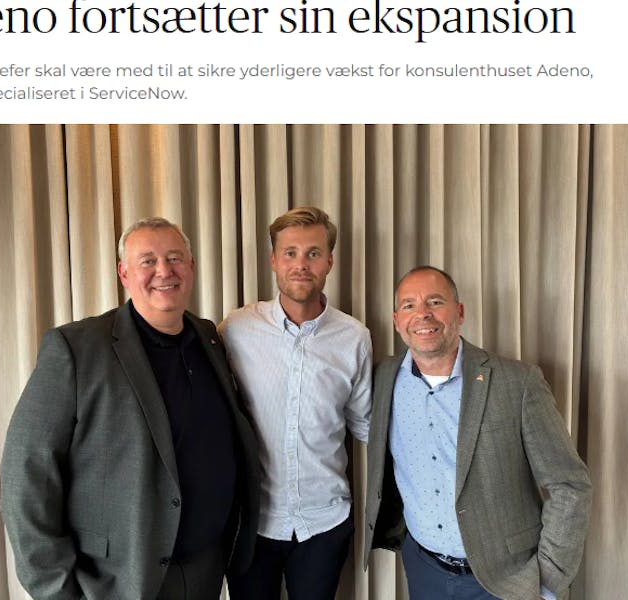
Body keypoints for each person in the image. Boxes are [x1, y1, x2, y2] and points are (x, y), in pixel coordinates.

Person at [0, 217, 260, 600]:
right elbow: (26, 474)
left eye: (174, 258)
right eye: (148, 261)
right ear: (124, 273)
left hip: (206, 569)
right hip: (118, 579)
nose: (164, 271)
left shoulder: (209, 337)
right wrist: (57, 590)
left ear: (191, 267)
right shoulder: (76, 348)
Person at [364, 266, 592, 600]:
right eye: (409, 305)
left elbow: (569, 485)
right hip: (423, 568)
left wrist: (546, 582)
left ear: (459, 312)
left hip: (507, 580)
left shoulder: (518, 383)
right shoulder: (384, 377)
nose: (423, 313)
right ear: (397, 321)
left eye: (435, 302)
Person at [219, 206, 372, 600]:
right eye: (290, 253)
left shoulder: (355, 337)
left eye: (313, 253)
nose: (301, 265)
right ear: (273, 260)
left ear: (329, 261)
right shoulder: (236, 329)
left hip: (325, 521)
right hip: (252, 524)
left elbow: (366, 425)